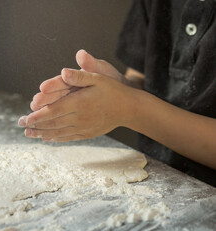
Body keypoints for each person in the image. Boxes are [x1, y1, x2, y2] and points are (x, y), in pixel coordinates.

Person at [18, 0, 216, 187]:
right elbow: (141, 76)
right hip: (159, 177)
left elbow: (133, 105)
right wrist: (118, 88)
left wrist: (130, 107)